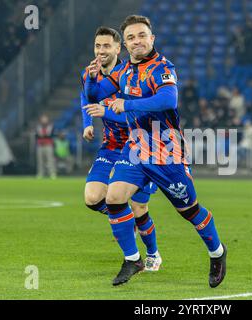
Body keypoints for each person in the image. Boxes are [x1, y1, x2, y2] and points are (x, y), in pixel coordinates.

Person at [84, 15, 226, 287]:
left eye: (141, 35)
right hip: (135, 147)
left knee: (189, 211)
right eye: (131, 38)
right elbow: (95, 94)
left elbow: (167, 99)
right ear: (125, 44)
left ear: (152, 38)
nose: (137, 41)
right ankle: (133, 258)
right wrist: (92, 80)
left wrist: (127, 106)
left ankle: (217, 253)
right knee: (114, 197)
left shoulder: (162, 67)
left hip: (166, 150)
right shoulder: (124, 72)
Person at [80, 27, 162, 272]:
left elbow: (138, 114)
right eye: (98, 46)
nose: (101, 51)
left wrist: (104, 112)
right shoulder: (89, 72)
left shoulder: (129, 75)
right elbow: (86, 97)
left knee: (139, 208)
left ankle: (153, 254)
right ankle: (125, 223)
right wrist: (87, 124)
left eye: (107, 46)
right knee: (92, 197)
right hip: (112, 145)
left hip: (140, 145)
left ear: (118, 49)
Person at [35, 114, 57, 179]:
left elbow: (51, 135)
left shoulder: (50, 126)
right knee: (40, 160)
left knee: (50, 160)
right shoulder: (38, 127)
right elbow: (36, 136)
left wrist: (43, 136)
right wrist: (44, 136)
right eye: (43, 119)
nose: (44, 120)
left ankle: (52, 173)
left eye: (45, 119)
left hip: (48, 145)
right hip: (40, 145)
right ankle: (40, 173)